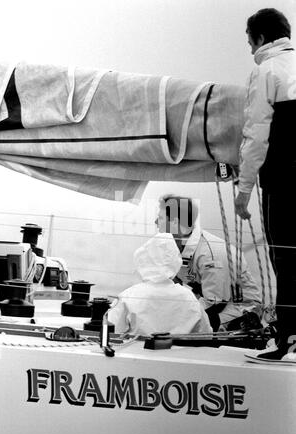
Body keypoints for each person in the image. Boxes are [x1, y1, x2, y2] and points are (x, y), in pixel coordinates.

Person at [234, 8, 296, 360]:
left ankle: (289, 341)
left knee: (286, 260)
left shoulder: (266, 71)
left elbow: (256, 136)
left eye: (249, 42)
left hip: (285, 182)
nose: (250, 49)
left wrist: (244, 191)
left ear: (260, 39)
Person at [156, 194, 262, 331]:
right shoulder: (174, 247)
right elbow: (173, 286)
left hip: (236, 309)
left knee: (186, 326)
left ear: (175, 222)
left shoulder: (211, 254)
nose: (155, 222)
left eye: (160, 218)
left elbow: (216, 303)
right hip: (210, 303)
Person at [108, 232, 212, 336]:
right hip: (180, 352)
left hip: (140, 351)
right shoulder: (189, 298)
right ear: (175, 261)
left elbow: (111, 334)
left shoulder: (128, 297)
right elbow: (206, 335)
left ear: (143, 259)